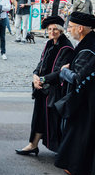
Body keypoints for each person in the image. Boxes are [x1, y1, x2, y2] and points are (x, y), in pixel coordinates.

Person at [50, 12, 95, 175]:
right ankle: (75, 168)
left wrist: (64, 70)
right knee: (77, 136)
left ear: (80, 28)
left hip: (86, 103)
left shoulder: (89, 49)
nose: (69, 30)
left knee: (80, 137)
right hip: (88, 100)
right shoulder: (89, 43)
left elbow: (79, 78)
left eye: (70, 27)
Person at [15, 16, 74, 156]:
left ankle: (62, 151)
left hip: (56, 90)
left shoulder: (67, 47)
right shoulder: (49, 43)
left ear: (61, 30)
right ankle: (33, 144)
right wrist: (35, 75)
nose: (52, 32)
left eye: (55, 29)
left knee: (54, 121)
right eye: (49, 29)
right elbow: (41, 62)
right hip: (43, 87)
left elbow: (60, 72)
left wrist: (41, 79)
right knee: (38, 117)